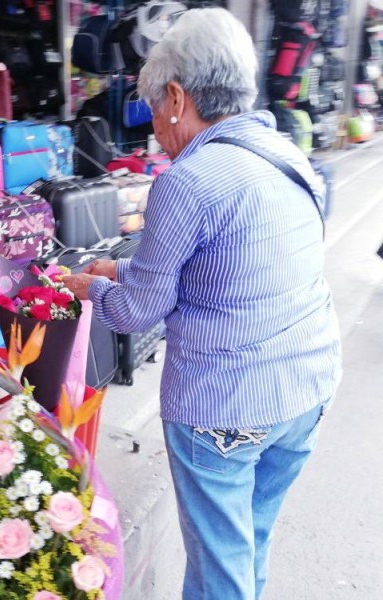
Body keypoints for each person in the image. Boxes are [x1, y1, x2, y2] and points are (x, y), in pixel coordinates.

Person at [62, 8, 342, 600]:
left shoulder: (186, 181)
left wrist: (98, 288)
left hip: (228, 407)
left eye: (152, 110)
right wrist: (126, 268)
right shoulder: (285, 153)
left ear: (176, 97)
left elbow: (138, 312)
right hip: (307, 388)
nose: (153, 130)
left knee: (222, 572)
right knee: (244, 548)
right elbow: (226, 265)